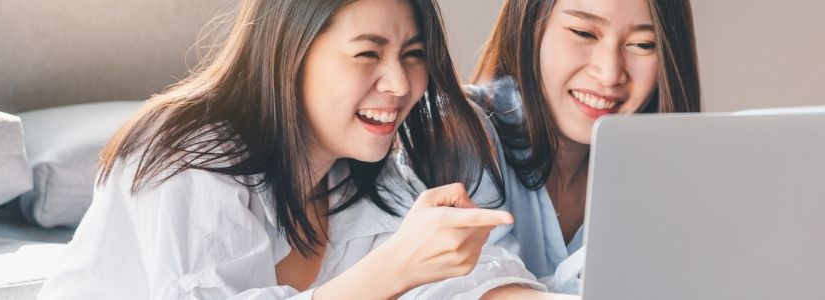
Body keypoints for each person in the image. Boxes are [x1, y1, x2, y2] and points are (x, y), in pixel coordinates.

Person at [38, 0, 543, 298]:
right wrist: (394, 267)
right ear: (291, 52)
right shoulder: (188, 159)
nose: (399, 83)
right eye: (368, 53)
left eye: (413, 56)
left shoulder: (366, 175)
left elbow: (471, 283)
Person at [469, 0, 702, 295]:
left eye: (643, 44)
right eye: (583, 33)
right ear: (529, 26)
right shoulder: (460, 130)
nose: (609, 74)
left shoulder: (662, 174)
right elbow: (469, 285)